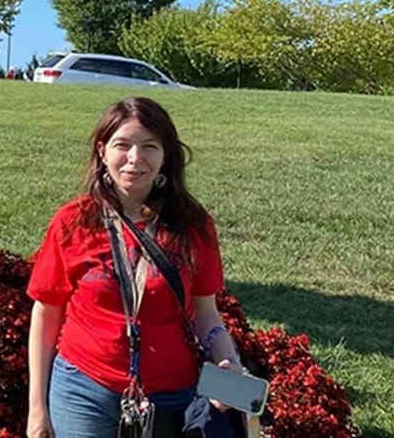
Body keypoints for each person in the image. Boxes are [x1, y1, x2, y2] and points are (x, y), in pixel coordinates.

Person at [25, 97, 244, 438]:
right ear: (102, 151)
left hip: (171, 397)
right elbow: (46, 313)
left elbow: (206, 313)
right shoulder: (73, 222)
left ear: (166, 156)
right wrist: (36, 408)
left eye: (149, 147)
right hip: (83, 390)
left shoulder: (193, 225)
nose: (135, 159)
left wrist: (228, 359)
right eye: (122, 145)